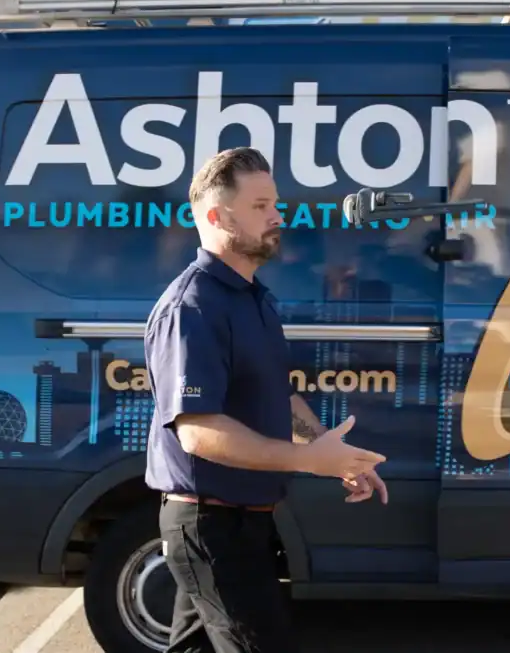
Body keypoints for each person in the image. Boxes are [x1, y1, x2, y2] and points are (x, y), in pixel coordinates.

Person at [143, 146, 389, 653]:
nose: (277, 215)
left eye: (275, 203)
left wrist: (331, 451)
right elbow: (198, 429)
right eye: (259, 206)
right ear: (216, 216)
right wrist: (306, 460)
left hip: (246, 518)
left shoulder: (254, 298)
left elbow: (278, 393)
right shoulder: (193, 306)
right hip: (210, 526)